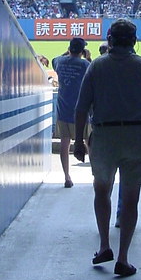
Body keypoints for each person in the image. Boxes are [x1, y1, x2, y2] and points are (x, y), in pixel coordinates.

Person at [73, 19, 141, 277]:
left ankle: (104, 246)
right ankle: (123, 258)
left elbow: (81, 107)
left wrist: (77, 139)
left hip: (104, 135)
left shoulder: (96, 66)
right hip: (137, 135)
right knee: (130, 199)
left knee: (101, 191)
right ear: (134, 41)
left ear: (109, 39)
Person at [52, 37, 90, 188]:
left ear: (69, 49)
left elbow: (55, 59)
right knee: (89, 142)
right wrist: (85, 56)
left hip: (63, 110)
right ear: (82, 51)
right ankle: (95, 177)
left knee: (64, 143)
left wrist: (68, 53)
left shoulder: (60, 62)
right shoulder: (85, 64)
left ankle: (67, 177)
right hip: (81, 111)